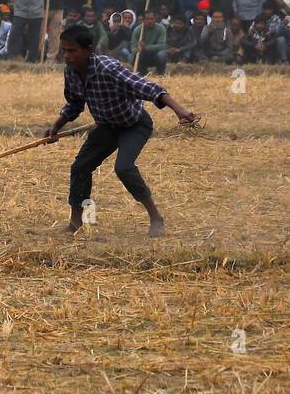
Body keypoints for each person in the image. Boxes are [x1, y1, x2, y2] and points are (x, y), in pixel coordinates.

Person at [43, 25, 199, 238]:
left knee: (124, 168)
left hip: (134, 124)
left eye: (72, 51)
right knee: (80, 167)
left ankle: (155, 217)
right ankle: (75, 223)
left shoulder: (109, 69)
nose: (66, 56)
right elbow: (75, 104)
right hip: (107, 126)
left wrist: (180, 110)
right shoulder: (70, 72)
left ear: (88, 50)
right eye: (64, 50)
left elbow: (148, 88)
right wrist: (55, 127)